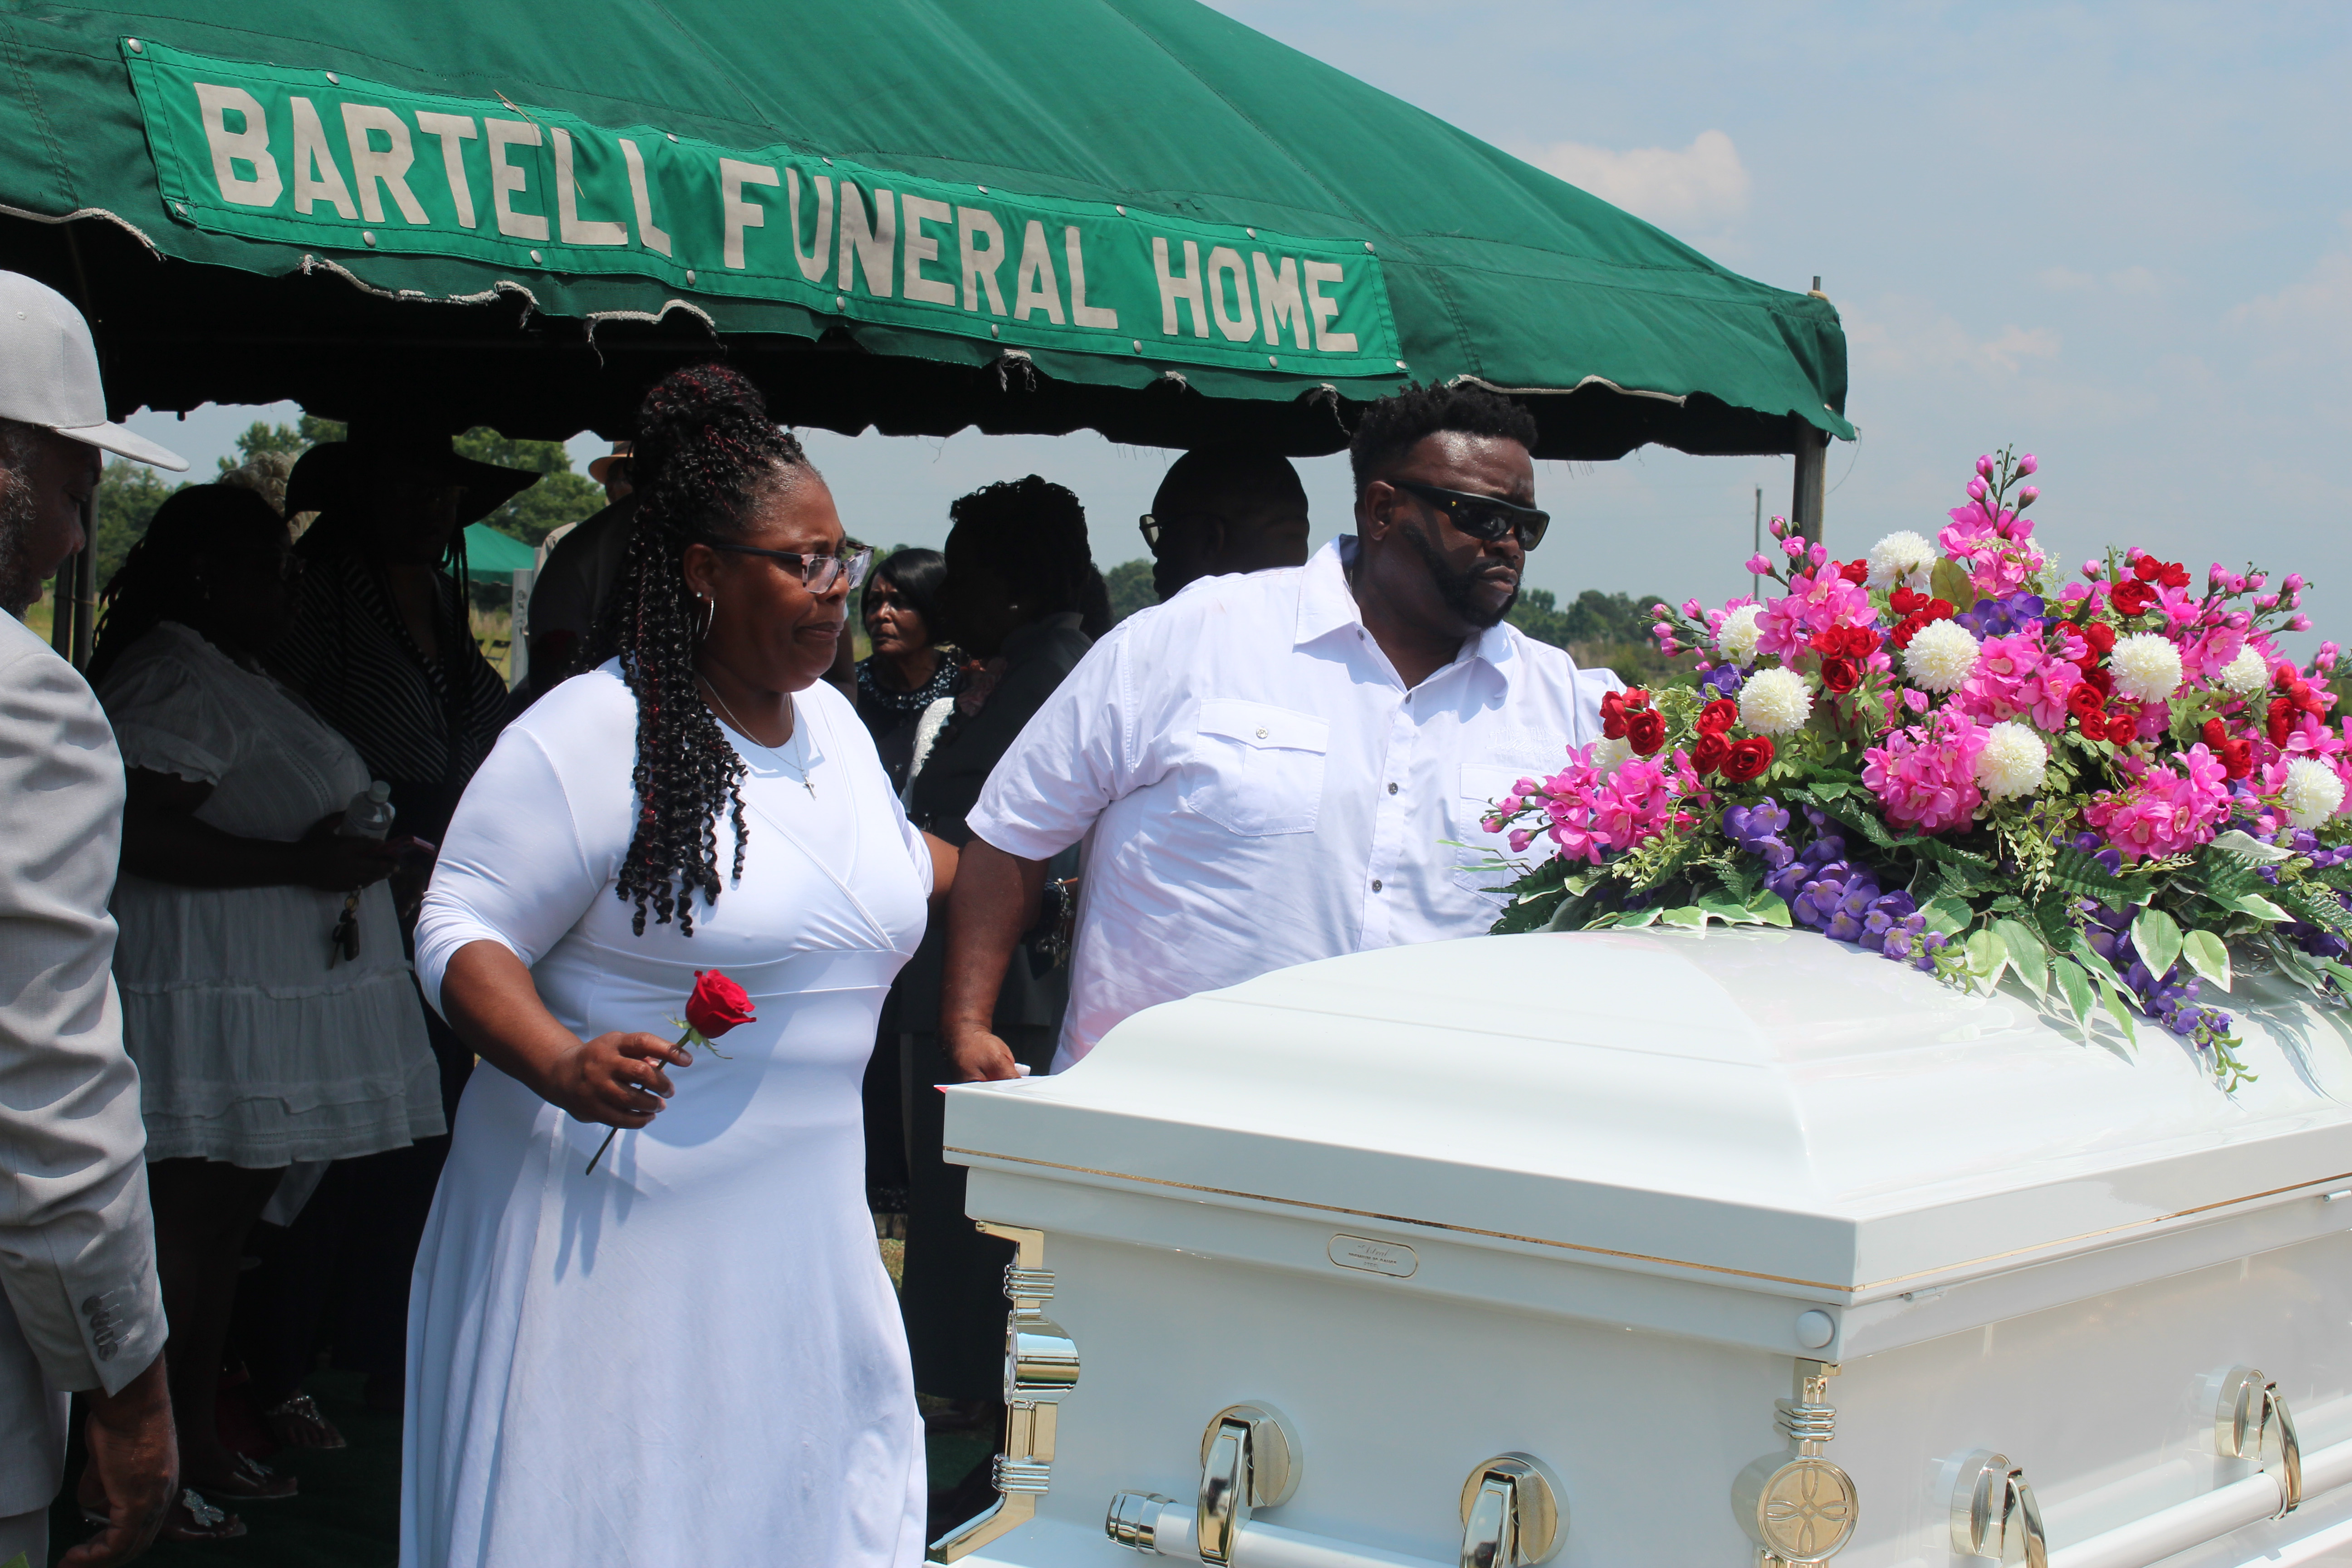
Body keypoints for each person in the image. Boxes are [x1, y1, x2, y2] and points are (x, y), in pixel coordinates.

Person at [403, 363, 956, 1568]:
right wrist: (557, 1060)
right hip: (612, 1245)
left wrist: (1036, 860)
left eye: (843, 558)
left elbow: (883, 879)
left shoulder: (837, 727)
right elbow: (458, 926)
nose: (837, 589)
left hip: (800, 1239)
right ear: (703, 571)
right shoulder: (593, 733)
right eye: (803, 563)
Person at [944, 384, 1621, 1084]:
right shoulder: (1191, 638)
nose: (1506, 543)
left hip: (1433, 1125)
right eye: (1480, 516)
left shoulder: (1566, 707)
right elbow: (1014, 831)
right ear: (1382, 510)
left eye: (1525, 526)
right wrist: (968, 1026)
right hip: (1162, 1115)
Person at [90, 485, 446, 1508]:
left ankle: (195, 1439)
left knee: (224, 1223)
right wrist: (298, 864)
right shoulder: (171, 674)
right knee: (184, 1222)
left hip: (258, 991)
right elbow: (136, 829)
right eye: (267, 570)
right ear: (206, 576)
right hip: (201, 991)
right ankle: (138, 1462)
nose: (290, 590)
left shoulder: (234, 669)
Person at [260, 423, 536, 1415]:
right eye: (412, 490)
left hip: (446, 869)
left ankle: (391, 1333)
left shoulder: (442, 599)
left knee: (427, 1110)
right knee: (347, 1121)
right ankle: (290, 1353)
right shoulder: (326, 594)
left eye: (446, 494)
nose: (434, 510)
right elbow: (286, 725)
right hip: (353, 867)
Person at [0, 269, 182, 1568]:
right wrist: (129, 1384)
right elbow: (45, 1088)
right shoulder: (26, 705)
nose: (77, 539)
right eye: (75, 490)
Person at [892, 478, 1095, 1460]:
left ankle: (984, 1391)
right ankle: (974, 1387)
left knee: (978, 1205)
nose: (948, 599)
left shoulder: (1050, 671)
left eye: (965, 576)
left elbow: (1011, 833)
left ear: (1012, 586)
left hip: (1005, 979)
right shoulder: (1023, 663)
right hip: (974, 966)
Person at [1140, 445, 1313, 601]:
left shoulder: (1149, 627)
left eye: (1165, 528)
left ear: (1211, 538)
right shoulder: (1325, 616)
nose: (1157, 549)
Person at [855, 547, 962, 792]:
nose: (881, 615)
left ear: (934, 609)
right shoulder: (846, 692)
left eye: (899, 602)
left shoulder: (966, 692)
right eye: (874, 602)